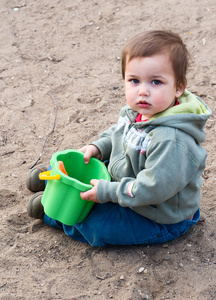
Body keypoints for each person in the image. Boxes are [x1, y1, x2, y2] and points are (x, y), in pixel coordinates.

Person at [27, 30, 212, 246]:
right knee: (91, 166)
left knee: (102, 227)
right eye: (134, 80)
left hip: (158, 215)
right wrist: (97, 148)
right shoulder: (136, 111)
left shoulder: (173, 141)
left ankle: (54, 215)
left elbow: (152, 189)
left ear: (179, 87)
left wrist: (108, 192)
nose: (143, 91)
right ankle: (57, 180)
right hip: (128, 181)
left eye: (156, 82)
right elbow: (118, 134)